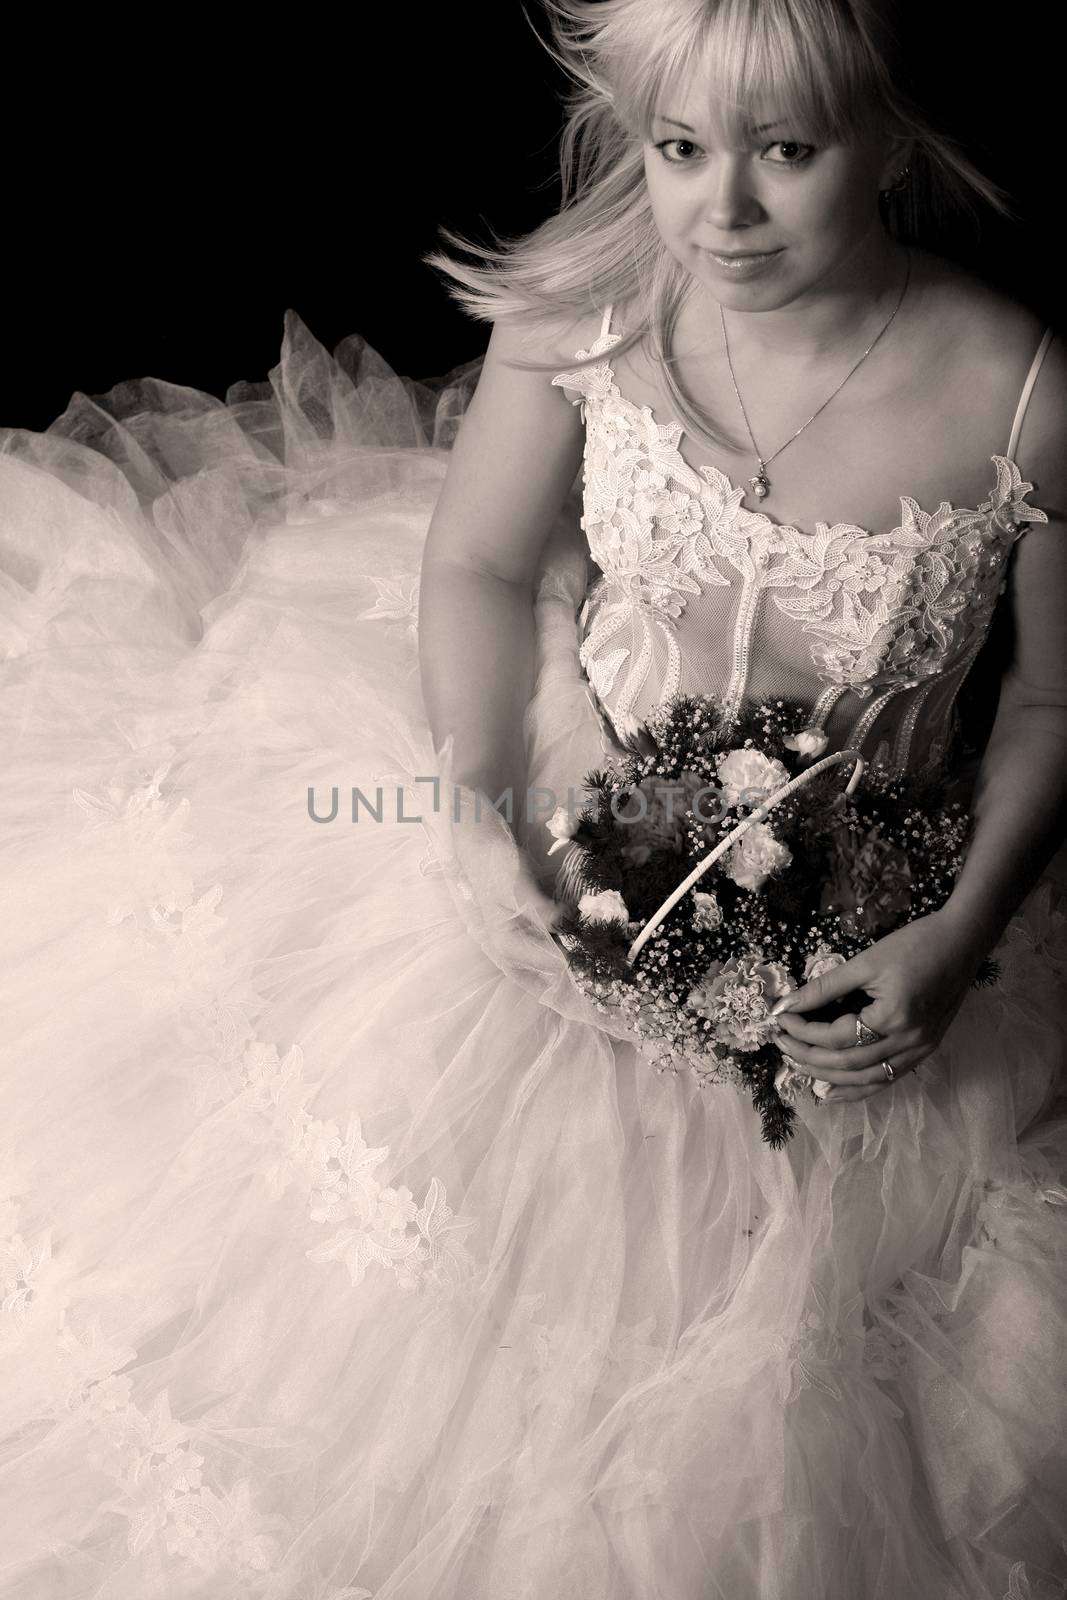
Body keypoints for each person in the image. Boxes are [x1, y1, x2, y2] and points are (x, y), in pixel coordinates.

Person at [0, 1, 1064, 1596]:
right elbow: (485, 565)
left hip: (870, 941)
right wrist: (470, 818)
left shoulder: (1021, 385)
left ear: (892, 137)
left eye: (786, 153)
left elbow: (1053, 700)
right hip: (573, 820)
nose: (724, 211)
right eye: (681, 150)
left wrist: (957, 934)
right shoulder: (593, 309)